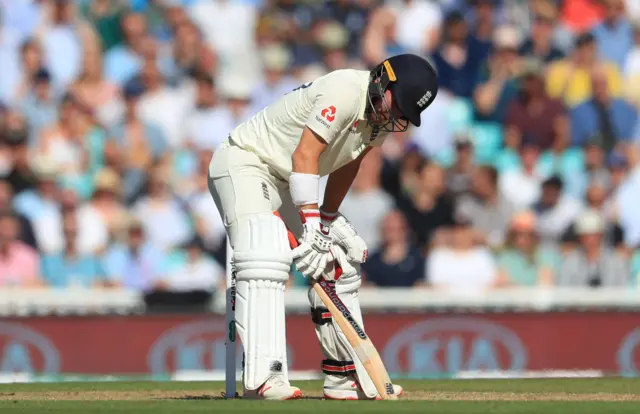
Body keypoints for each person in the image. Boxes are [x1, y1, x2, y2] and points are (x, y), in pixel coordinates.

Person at [208, 54, 438, 400]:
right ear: (383, 79)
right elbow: (305, 156)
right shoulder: (344, 90)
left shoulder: (378, 119)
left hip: (288, 181)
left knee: (337, 263)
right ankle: (263, 377)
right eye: (398, 104)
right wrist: (312, 226)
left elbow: (348, 165)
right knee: (265, 249)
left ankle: (344, 378)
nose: (396, 116)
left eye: (405, 113)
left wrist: (328, 220)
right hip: (246, 162)